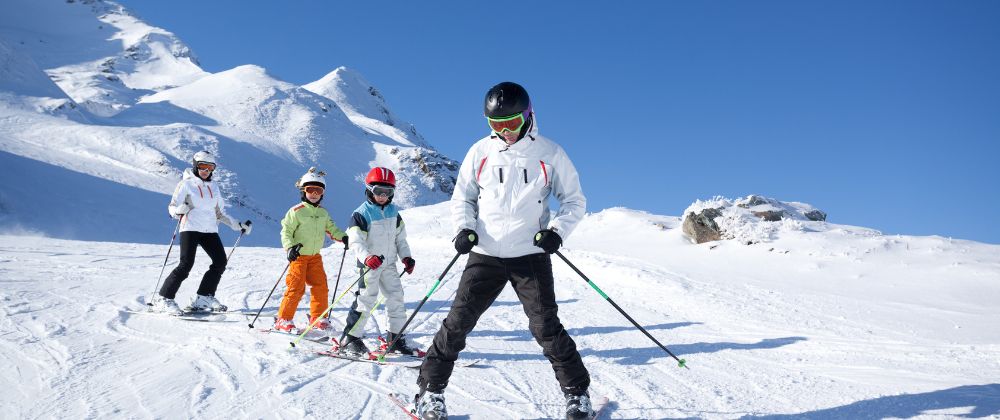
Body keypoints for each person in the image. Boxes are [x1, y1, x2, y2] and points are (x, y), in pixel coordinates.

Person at [414, 82, 593, 420]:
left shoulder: (550, 154)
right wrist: (465, 229)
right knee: (457, 323)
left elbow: (574, 200)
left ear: (527, 116)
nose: (505, 132)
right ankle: (430, 391)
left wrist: (556, 232)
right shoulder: (480, 152)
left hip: (530, 254)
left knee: (545, 327)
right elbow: (463, 197)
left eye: (510, 123)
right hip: (486, 252)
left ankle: (577, 393)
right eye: (495, 125)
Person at [154, 151, 251, 315]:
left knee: (220, 262)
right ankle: (164, 299)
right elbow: (172, 206)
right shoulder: (186, 184)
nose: (206, 170)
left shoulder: (214, 187)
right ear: (195, 166)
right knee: (186, 265)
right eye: (202, 166)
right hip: (190, 228)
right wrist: (178, 211)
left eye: (210, 167)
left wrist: (237, 225)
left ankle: (204, 296)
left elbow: (220, 213)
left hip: (209, 230)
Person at [337, 167, 419, 357]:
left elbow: (400, 239)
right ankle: (350, 338)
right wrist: (367, 257)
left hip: (389, 264)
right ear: (368, 190)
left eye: (387, 192)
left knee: (396, 298)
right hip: (370, 265)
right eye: (378, 192)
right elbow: (356, 240)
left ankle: (395, 338)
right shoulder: (361, 214)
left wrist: (406, 257)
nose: (382, 196)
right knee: (366, 299)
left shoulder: (393, 212)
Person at [274, 167, 348, 333]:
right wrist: (290, 247)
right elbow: (286, 231)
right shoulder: (296, 211)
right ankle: (283, 319)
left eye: (318, 190)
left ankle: (318, 317)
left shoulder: (323, 213)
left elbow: (332, 229)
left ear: (322, 193)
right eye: (310, 190)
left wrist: (343, 237)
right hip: (298, 257)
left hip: (315, 257)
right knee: (296, 287)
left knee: (320, 286)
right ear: (303, 191)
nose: (314, 194)